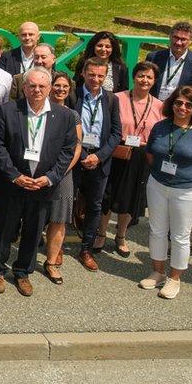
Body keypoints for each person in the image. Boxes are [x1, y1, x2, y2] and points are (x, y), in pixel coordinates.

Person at [0, 67, 77, 298]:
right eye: (32, 86)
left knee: (33, 231)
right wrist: (15, 175)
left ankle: (22, 271)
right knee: (4, 228)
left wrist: (49, 178)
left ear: (49, 89)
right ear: (24, 87)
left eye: (41, 86)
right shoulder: (9, 111)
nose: (37, 90)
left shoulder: (64, 116)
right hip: (13, 183)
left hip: (42, 186)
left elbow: (67, 151)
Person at [140, 87, 192, 299]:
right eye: (178, 103)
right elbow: (151, 154)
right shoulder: (161, 126)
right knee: (157, 230)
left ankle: (174, 278)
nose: (182, 108)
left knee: (180, 236)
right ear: (172, 104)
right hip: (158, 185)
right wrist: (161, 172)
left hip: (187, 190)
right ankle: (158, 271)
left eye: (188, 104)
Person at [95, 61, 165, 258]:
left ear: (154, 81)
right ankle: (101, 233)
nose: (144, 80)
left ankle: (121, 236)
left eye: (149, 77)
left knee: (131, 198)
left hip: (141, 155)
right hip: (117, 151)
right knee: (108, 195)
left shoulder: (159, 106)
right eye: (141, 75)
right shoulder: (116, 98)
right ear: (134, 77)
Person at [67, 57, 123, 274]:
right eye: (92, 74)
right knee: (66, 203)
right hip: (74, 159)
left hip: (99, 161)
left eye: (101, 75)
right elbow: (64, 129)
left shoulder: (111, 99)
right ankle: (59, 245)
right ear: (83, 73)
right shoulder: (73, 96)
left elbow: (117, 132)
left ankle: (86, 250)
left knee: (94, 206)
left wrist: (100, 156)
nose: (96, 79)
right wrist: (79, 155)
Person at [42, 71, 82, 285]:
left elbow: (77, 146)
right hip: (38, 170)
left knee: (59, 218)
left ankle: (50, 262)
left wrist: (62, 170)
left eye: (64, 87)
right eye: (56, 85)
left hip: (63, 172)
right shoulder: (39, 109)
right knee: (35, 215)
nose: (60, 90)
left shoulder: (73, 115)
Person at [146, 21, 192, 101]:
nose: (178, 43)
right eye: (176, 37)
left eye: (183, 39)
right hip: (153, 105)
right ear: (170, 37)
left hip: (180, 109)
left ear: (190, 40)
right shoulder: (153, 57)